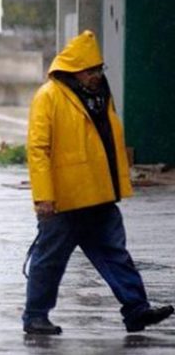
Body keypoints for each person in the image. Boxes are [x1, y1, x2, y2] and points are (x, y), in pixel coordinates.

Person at [23, 30, 173, 334]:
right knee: (49, 261)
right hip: (64, 200)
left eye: (98, 69)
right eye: (90, 70)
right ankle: (35, 316)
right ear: (74, 70)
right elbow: (38, 149)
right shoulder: (49, 96)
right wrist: (44, 196)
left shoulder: (100, 98)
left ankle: (136, 310)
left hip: (99, 195)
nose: (96, 75)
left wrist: (117, 185)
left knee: (115, 254)